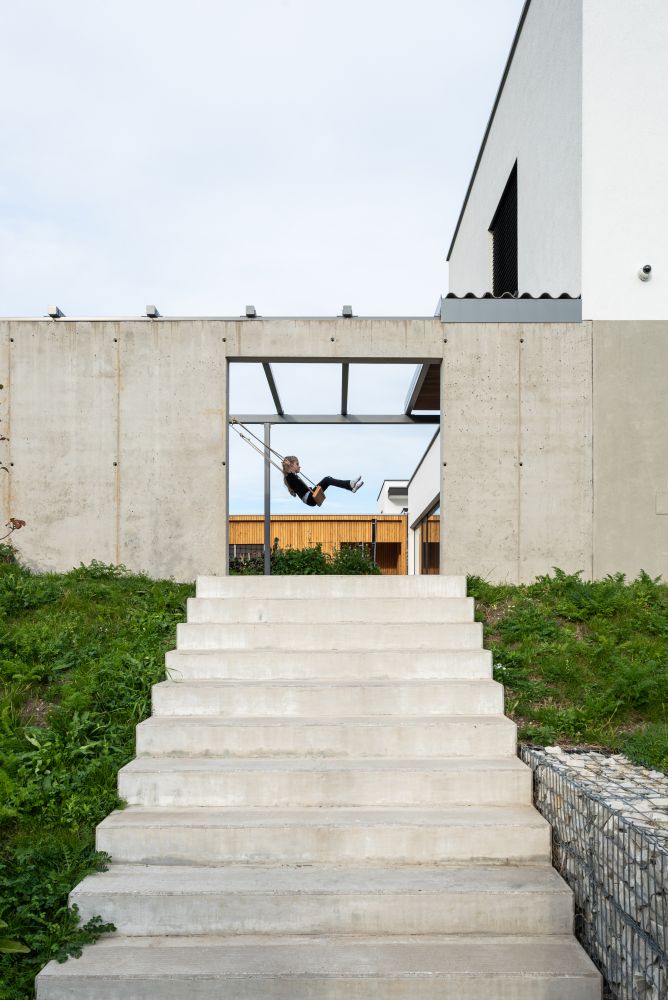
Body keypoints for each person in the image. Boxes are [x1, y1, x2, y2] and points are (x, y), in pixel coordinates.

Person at [282, 455, 363, 507]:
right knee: (327, 480)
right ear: (291, 465)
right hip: (309, 498)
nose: (299, 466)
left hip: (309, 497)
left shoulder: (293, 476)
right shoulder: (290, 477)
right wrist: (287, 464)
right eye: (297, 464)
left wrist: (289, 465)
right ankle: (350, 484)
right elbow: (289, 473)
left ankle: (351, 487)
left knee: (328, 478)